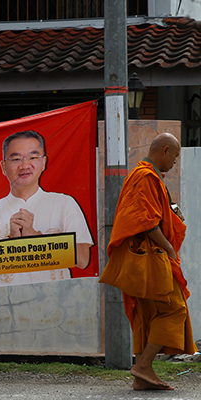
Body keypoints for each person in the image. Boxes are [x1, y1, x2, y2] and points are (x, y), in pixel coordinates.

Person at [101, 132, 197, 390]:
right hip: (152, 256)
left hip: (148, 257)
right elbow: (147, 222)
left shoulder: (147, 176)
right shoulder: (145, 177)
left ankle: (141, 379)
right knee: (174, 308)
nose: (174, 163)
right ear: (164, 150)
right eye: (175, 157)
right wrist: (169, 249)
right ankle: (143, 365)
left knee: (150, 313)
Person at [0, 130, 94, 286]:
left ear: (44, 163)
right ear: (3, 167)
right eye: (16, 159)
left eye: (33, 157)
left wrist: (36, 238)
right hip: (7, 306)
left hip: (55, 304)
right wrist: (11, 244)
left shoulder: (65, 205)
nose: (25, 165)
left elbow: (82, 259)